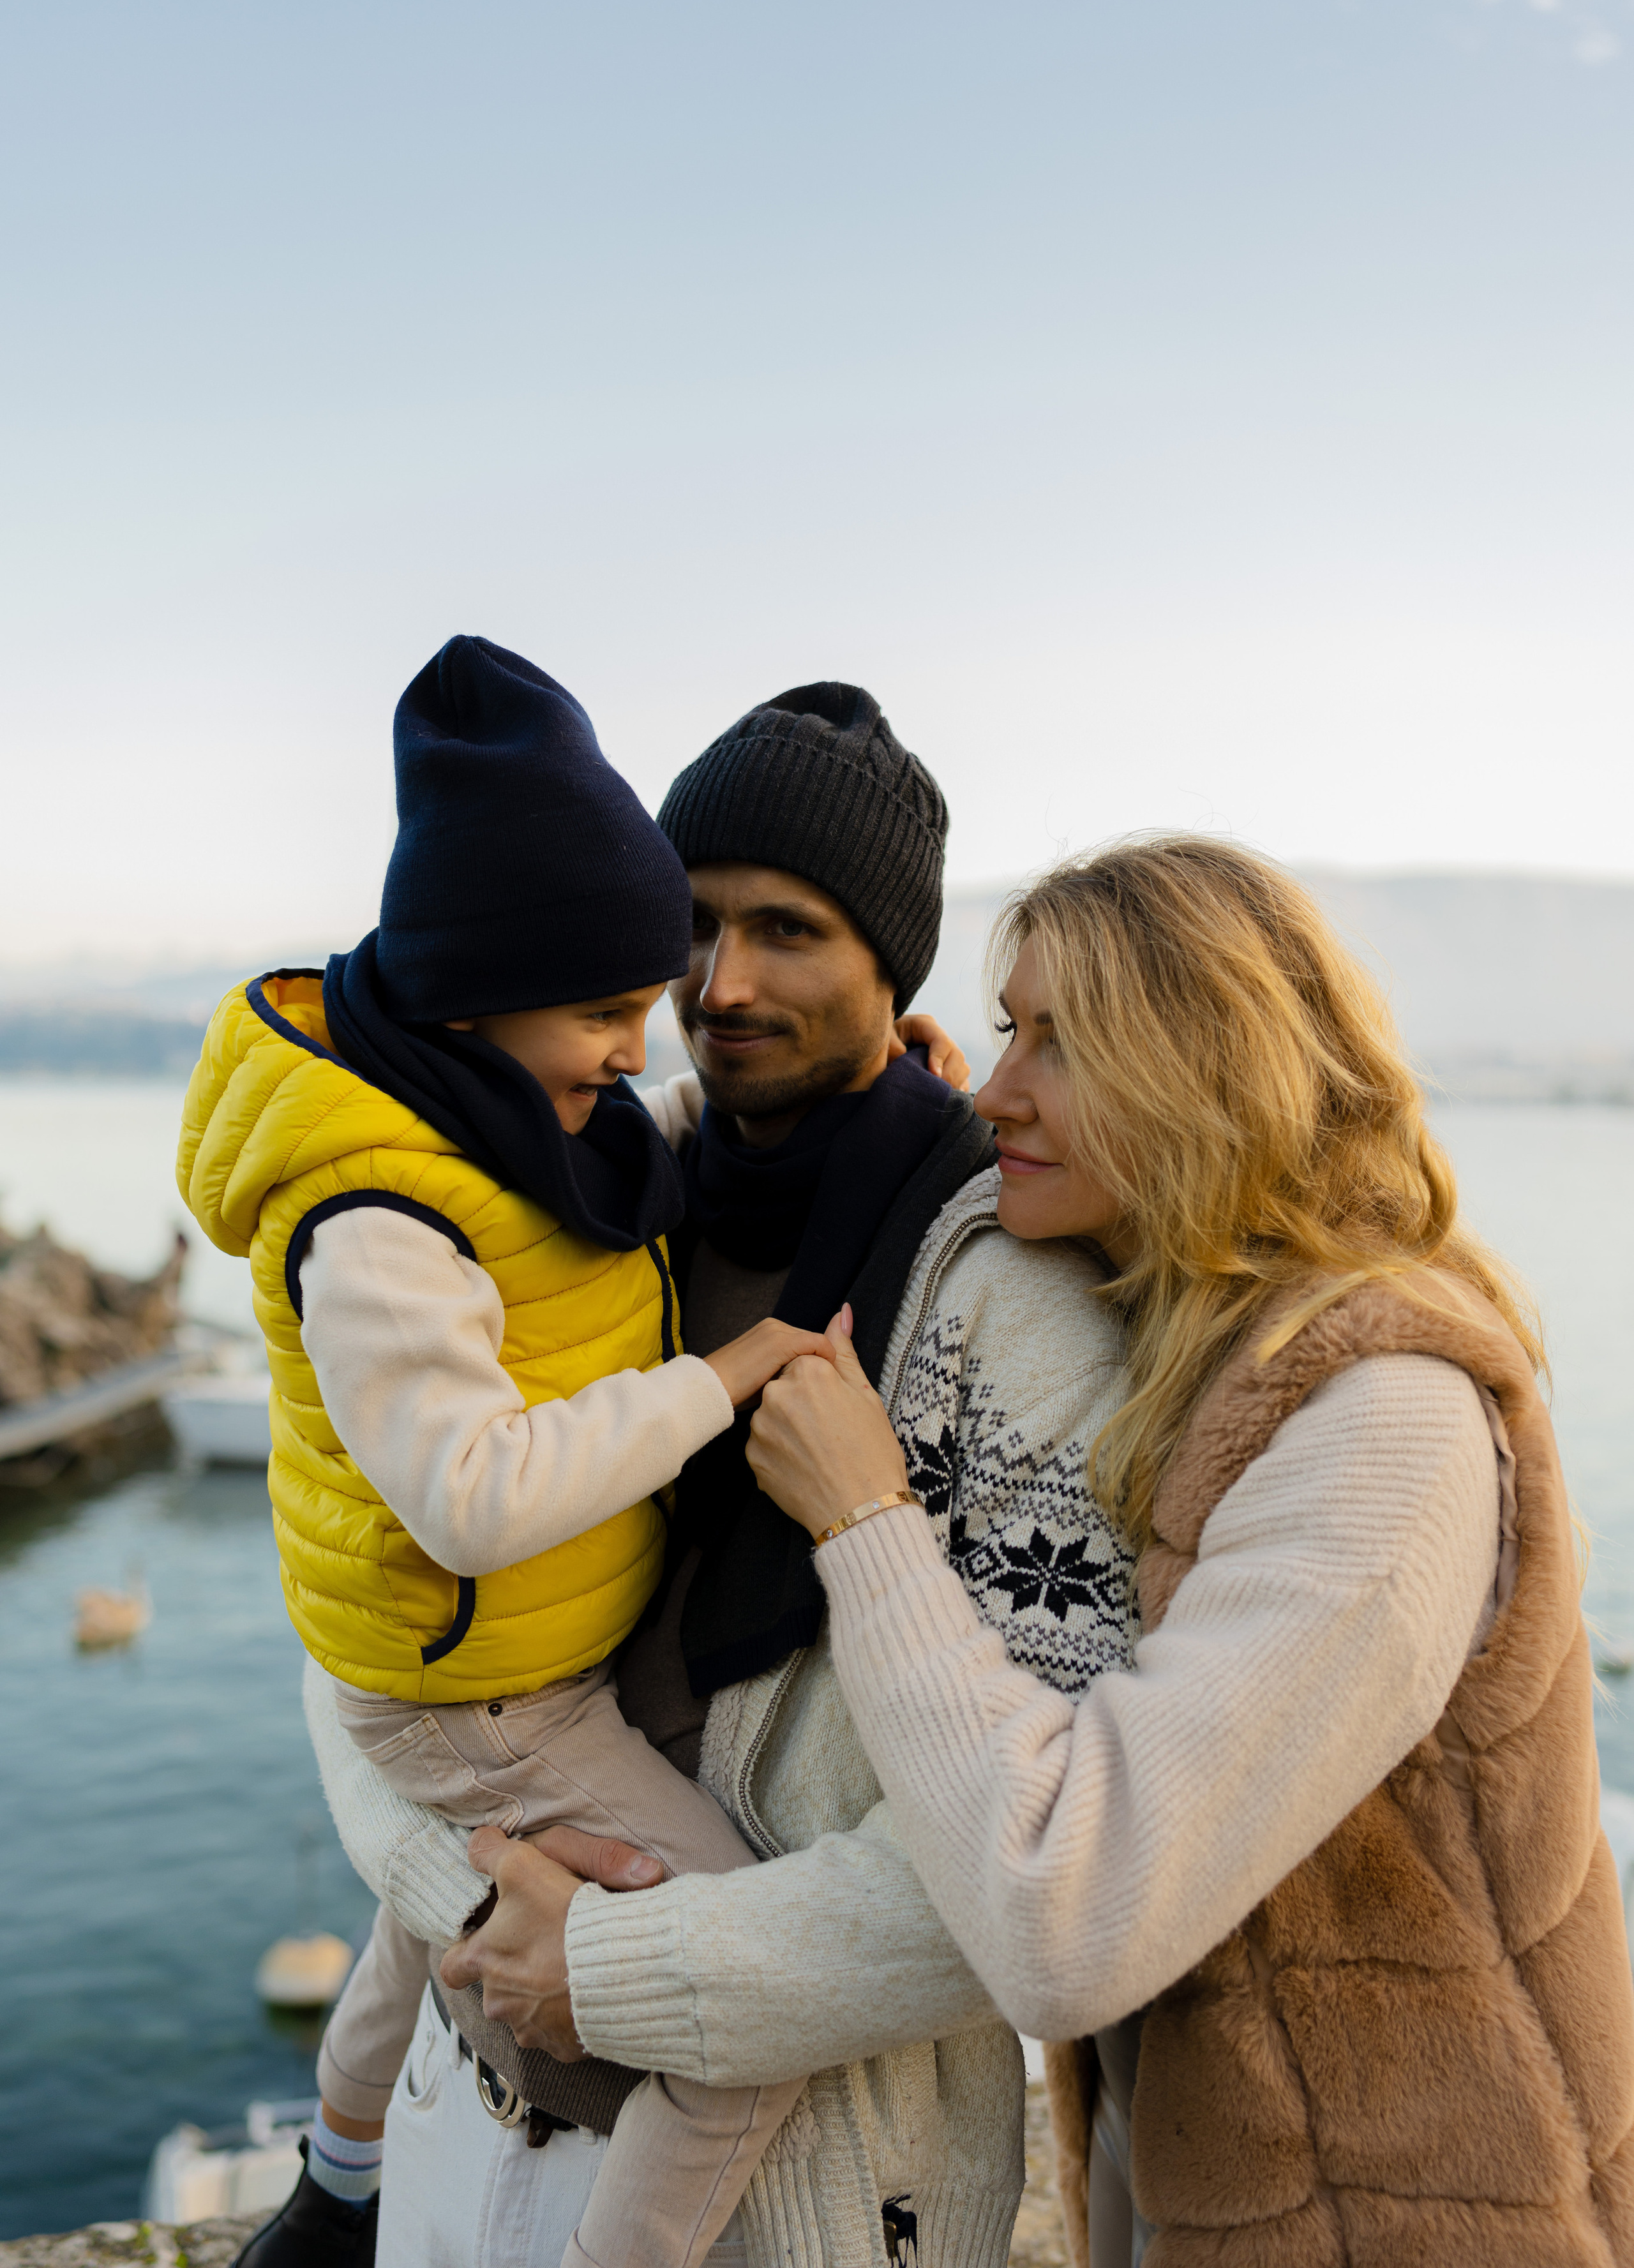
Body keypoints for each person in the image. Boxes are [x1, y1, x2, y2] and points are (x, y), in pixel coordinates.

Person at [308, 682, 1137, 2268]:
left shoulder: (1021, 1306)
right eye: (689, 923)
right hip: (470, 2090)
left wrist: (613, 1963)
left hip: (787, 2180)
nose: (721, 981)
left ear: (891, 966)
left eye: (789, 930)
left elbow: (1022, 1865)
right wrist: (471, 1898)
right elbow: (361, 1602)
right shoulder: (580, 1197)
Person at [740, 835, 1634, 2265]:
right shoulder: (1214, 1336)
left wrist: (864, 1522)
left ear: (1213, 1072)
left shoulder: (1382, 1419)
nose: (996, 1091)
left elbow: (1062, 1919)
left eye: (1063, 1046)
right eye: (1005, 1031)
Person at [179, 638, 852, 2268]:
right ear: (481, 1000)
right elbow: (468, 1500)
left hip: (510, 1680)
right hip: (480, 1698)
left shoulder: (499, 1117)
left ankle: (331, 2195)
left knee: (427, 1926)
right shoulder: (377, 1221)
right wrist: (718, 1379)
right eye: (609, 1010)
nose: (646, 1043)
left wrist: (872, 1090)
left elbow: (613, 1201)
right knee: (743, 1999)